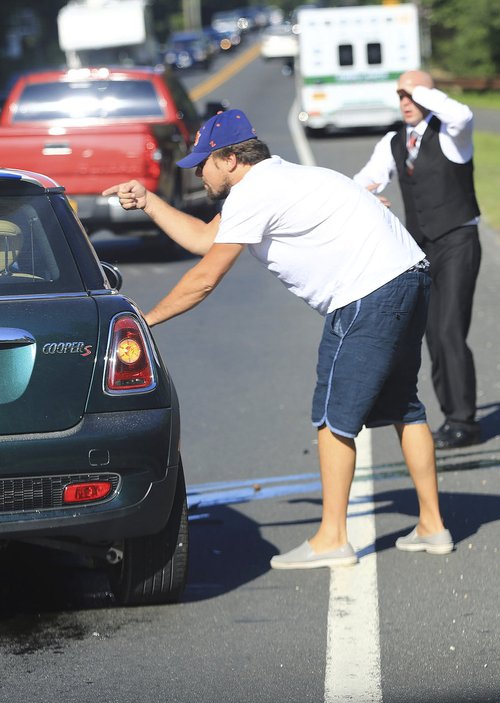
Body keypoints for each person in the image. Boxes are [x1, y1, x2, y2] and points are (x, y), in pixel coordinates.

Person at [102, 109, 453, 569]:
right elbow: (207, 240)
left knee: (332, 419)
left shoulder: (254, 193)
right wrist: (148, 201)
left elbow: (205, 277)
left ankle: (332, 539)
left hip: (367, 293)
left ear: (228, 159)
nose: (198, 176)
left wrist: (143, 322)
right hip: (408, 275)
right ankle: (432, 525)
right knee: (404, 407)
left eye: (203, 164)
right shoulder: (281, 180)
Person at [353, 70, 482, 450]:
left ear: (430, 96)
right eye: (401, 95)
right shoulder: (394, 142)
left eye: (413, 95)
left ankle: (464, 422)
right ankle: (451, 417)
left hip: (458, 239)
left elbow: (463, 115)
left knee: (449, 330)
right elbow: (363, 181)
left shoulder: (452, 133)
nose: (406, 101)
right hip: (422, 246)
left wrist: (424, 92)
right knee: (431, 335)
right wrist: (367, 197)